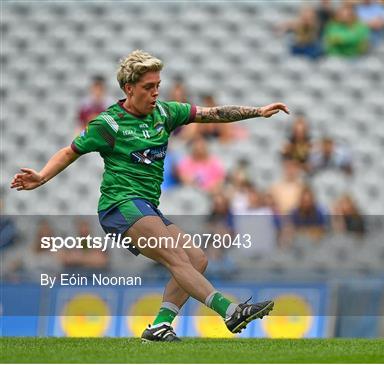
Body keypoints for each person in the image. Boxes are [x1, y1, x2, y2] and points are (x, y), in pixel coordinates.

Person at [11, 50, 289, 342]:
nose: (156, 92)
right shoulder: (108, 124)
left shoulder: (165, 113)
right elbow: (70, 151)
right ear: (129, 88)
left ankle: (159, 326)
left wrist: (257, 111)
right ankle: (231, 311)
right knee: (176, 255)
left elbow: (213, 114)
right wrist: (42, 176)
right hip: (119, 206)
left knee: (197, 258)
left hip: (146, 207)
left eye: (158, 85)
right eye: (148, 87)